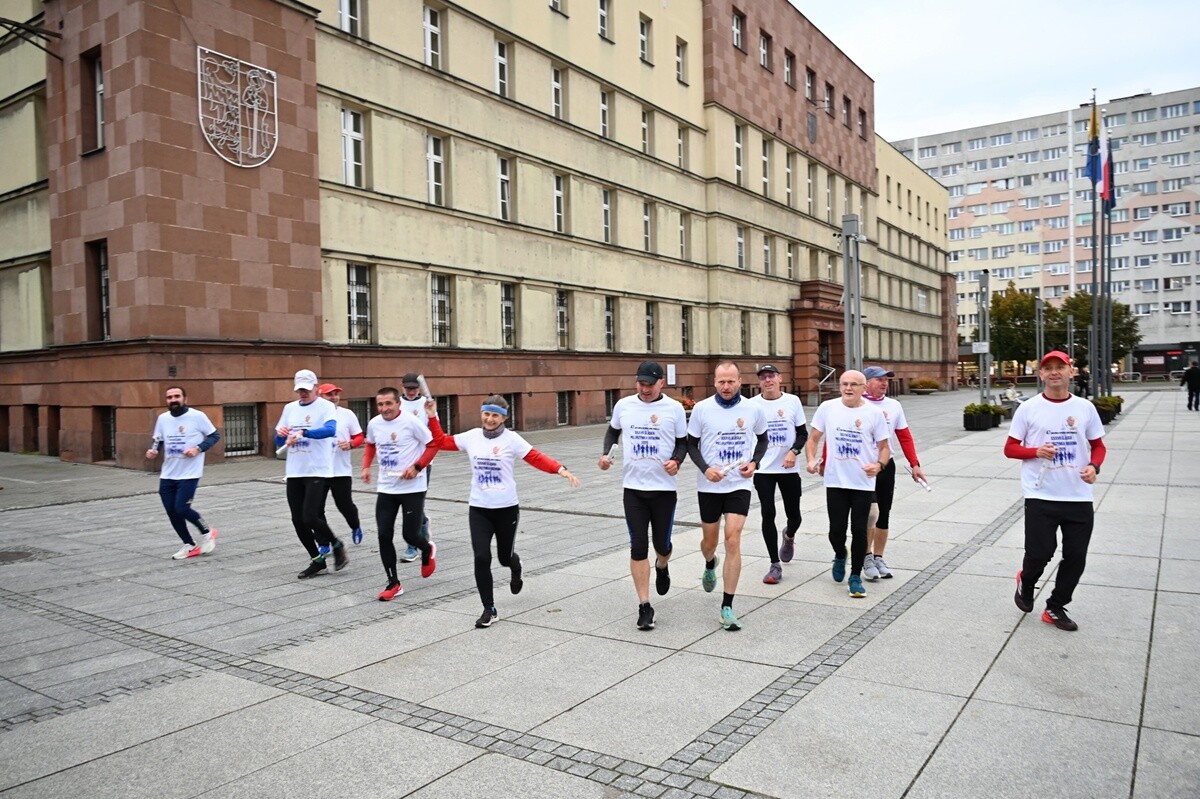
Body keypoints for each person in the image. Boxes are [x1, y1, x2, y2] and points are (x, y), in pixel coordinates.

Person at [429, 395, 580, 628]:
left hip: (506, 509)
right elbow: (440, 441)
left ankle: (515, 568)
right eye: (486, 414)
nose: (489, 419)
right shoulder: (471, 437)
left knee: (504, 557)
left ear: (504, 418)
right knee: (481, 557)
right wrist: (432, 416)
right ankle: (489, 609)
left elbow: (535, 457)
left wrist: (560, 469)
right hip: (479, 508)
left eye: (495, 415)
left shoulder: (512, 439)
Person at [1007, 351, 1106, 631]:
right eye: (1048, 368)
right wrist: (1035, 451)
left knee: (1076, 557)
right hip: (1041, 494)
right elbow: (1010, 448)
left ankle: (1055, 606)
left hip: (1078, 495)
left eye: (1060, 367)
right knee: (1040, 553)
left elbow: (1098, 446)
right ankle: (1026, 581)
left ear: (1070, 372)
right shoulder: (1028, 408)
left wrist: (1094, 467)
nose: (1054, 372)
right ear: (1041, 374)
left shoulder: (1085, 407)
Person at [599, 361, 688, 630]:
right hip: (634, 489)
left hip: (663, 490)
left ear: (662, 382)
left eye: (650, 384)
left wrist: (676, 461)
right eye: (641, 383)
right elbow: (613, 431)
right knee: (638, 546)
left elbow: (683, 443)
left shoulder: (674, 408)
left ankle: (662, 565)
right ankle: (645, 606)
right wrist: (606, 454)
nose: (645, 389)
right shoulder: (624, 405)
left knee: (662, 545)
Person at [686, 362, 768, 631]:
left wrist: (754, 462)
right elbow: (691, 445)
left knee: (733, 538)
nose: (726, 386)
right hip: (709, 485)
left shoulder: (753, 409)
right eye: (721, 381)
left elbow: (763, 439)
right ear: (714, 382)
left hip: (738, 484)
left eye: (731, 381)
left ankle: (727, 607)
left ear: (740, 381)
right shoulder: (702, 409)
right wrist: (705, 469)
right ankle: (710, 562)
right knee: (709, 543)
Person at [805, 370, 891, 598]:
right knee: (836, 531)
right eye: (844, 384)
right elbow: (813, 439)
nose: (848, 388)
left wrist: (879, 466)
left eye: (854, 384)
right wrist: (811, 459)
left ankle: (855, 576)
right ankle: (840, 553)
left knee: (859, 530)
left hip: (862, 482)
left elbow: (884, 448)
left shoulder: (874, 413)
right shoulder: (828, 408)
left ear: (864, 388)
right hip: (835, 480)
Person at [361, 387, 440, 600]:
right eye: (380, 404)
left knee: (410, 535)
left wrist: (417, 467)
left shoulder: (411, 422)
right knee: (383, 535)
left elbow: (433, 444)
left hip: (412, 487)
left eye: (388, 403)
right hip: (386, 487)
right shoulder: (374, 424)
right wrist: (366, 466)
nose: (384, 408)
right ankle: (393, 583)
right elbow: (370, 445)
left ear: (398, 403)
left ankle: (426, 549)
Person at [275, 369, 348, 578]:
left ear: (316, 388)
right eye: (300, 390)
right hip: (295, 470)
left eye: (307, 389)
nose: (303, 393)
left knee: (310, 516)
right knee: (297, 520)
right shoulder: (289, 408)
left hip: (317, 469)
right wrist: (281, 435)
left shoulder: (325, 407)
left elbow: (330, 430)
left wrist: (304, 432)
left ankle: (336, 544)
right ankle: (317, 560)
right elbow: (278, 440)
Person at [861, 366, 927, 581]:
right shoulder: (858, 404)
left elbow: (904, 436)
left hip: (886, 466)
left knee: (884, 514)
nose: (884, 383)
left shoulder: (894, 406)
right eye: (879, 380)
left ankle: (878, 557)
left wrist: (915, 464)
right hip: (864, 467)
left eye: (887, 380)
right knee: (871, 512)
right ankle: (866, 556)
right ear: (867, 382)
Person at [747, 364, 807, 584]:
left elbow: (802, 433)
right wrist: (751, 461)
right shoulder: (752, 405)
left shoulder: (792, 401)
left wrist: (794, 451)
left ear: (780, 378)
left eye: (771, 376)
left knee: (795, 515)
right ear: (759, 382)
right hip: (763, 469)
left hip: (788, 467)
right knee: (767, 513)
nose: (767, 380)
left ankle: (789, 535)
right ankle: (774, 564)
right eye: (763, 377)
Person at [145, 386, 221, 559]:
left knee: (181, 508)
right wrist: (153, 450)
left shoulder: (197, 416)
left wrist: (198, 448)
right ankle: (189, 544)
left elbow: (215, 436)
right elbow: (158, 439)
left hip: (189, 473)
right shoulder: (163, 418)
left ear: (185, 399)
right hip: (168, 473)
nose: (173, 400)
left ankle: (207, 532)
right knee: (171, 511)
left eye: (176, 396)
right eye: (169, 397)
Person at [317, 383, 365, 545]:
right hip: (318, 471)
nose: (334, 397)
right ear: (320, 397)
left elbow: (359, 436)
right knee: (316, 509)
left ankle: (355, 525)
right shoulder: (314, 415)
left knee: (345, 506)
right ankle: (323, 542)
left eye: (336, 394)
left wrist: (351, 444)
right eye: (329, 395)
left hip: (341, 470)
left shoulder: (347, 414)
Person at [398, 372, 433, 562]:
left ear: (419, 388)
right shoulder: (397, 405)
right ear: (402, 387)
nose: (411, 391)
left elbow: (435, 432)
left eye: (414, 388)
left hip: (422, 462)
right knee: (407, 503)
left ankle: (412, 545)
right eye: (408, 388)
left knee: (416, 503)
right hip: (401, 463)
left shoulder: (426, 404)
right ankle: (423, 524)